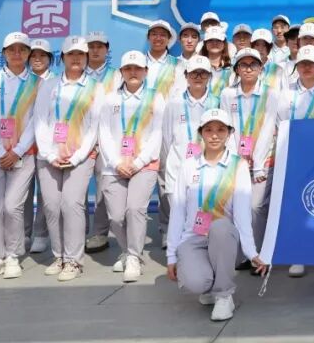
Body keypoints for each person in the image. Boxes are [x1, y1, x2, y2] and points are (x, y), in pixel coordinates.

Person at [167, 109, 267, 321]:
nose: (214, 135)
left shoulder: (238, 165)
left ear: (229, 133)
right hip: (193, 239)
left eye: (221, 130)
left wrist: (251, 252)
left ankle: (224, 296)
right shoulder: (188, 165)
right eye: (209, 130)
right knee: (196, 283)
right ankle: (209, 286)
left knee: (220, 226)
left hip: (225, 240)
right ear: (200, 133)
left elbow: (242, 215)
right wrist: (171, 255)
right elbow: (177, 212)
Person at [259, 45, 314, 278]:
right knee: (293, 205)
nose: (307, 68)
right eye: (302, 64)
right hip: (290, 157)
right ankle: (297, 255)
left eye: (311, 64)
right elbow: (276, 125)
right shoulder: (285, 94)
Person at [34, 36, 101, 281]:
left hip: (80, 157)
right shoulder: (49, 85)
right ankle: (58, 255)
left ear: (86, 58)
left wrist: (78, 156)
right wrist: (49, 153)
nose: (76, 58)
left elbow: (94, 126)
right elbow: (40, 120)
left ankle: (73, 260)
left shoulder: (95, 87)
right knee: (51, 206)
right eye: (71, 54)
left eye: (81, 54)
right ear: (62, 57)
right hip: (49, 156)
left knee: (72, 204)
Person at [0, 32, 40, 281]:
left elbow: (37, 120)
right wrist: (0, 151)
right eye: (12, 49)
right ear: (4, 53)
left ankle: (12, 255)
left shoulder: (38, 83)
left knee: (13, 207)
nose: (17, 54)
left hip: (22, 155)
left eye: (22, 49)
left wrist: (17, 151)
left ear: (28, 54)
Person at [98, 51, 165, 282]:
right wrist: (117, 162)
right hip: (114, 166)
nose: (133, 72)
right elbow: (104, 133)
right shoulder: (110, 99)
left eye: (138, 68)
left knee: (135, 209)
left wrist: (137, 162)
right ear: (121, 72)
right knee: (116, 217)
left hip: (144, 164)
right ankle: (127, 251)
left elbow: (157, 133)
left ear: (146, 72)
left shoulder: (156, 98)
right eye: (128, 68)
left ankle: (135, 257)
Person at [162, 55, 219, 254]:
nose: (198, 77)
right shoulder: (174, 103)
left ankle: (201, 256)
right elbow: (166, 139)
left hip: (208, 170)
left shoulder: (217, 102)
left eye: (203, 73)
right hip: (177, 169)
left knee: (204, 216)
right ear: (186, 75)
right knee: (179, 217)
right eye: (194, 73)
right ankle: (178, 257)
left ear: (209, 76)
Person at [221, 48, 276, 251]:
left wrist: (258, 163)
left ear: (261, 68)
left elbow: (268, 129)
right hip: (236, 161)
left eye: (253, 64)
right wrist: (236, 160)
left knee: (255, 207)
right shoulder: (227, 94)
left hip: (263, 162)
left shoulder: (271, 94)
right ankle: (239, 252)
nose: (248, 69)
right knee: (236, 207)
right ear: (236, 69)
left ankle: (258, 253)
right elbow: (227, 128)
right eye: (243, 65)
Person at [85, 31, 119, 255]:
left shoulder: (117, 75)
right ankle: (76, 232)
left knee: (103, 187)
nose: (95, 50)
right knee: (76, 191)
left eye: (100, 46)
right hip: (79, 141)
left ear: (107, 49)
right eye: (91, 46)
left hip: (107, 140)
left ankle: (99, 233)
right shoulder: (76, 74)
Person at [24, 38, 54, 254]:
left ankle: (41, 233)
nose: (37, 59)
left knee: (45, 192)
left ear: (50, 59)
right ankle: (24, 233)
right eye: (33, 55)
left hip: (48, 145)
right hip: (23, 146)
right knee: (24, 191)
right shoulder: (21, 81)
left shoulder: (57, 81)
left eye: (42, 55)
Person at [202, 28, 233, 98]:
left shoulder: (233, 68)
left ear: (224, 43)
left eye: (218, 40)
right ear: (205, 43)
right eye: (210, 40)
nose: (214, 43)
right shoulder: (196, 66)